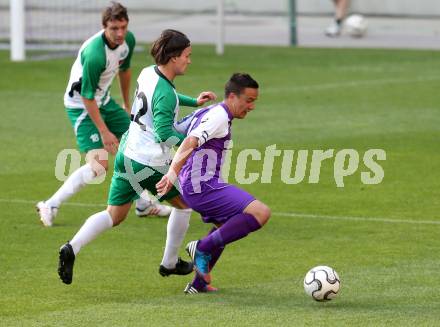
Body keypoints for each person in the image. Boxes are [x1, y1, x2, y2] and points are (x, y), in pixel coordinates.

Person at [57, 29, 216, 285]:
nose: (189, 60)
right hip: (148, 162)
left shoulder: (148, 72)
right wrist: (193, 145)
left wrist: (193, 102)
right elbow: (165, 133)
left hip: (127, 153)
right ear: (174, 57)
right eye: (187, 55)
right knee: (185, 205)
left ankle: (71, 248)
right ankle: (169, 262)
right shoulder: (164, 92)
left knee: (114, 215)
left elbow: (163, 100)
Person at [36, 2, 171, 228]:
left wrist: (128, 105)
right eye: (113, 28)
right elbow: (87, 97)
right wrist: (105, 132)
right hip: (81, 106)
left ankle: (143, 205)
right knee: (98, 166)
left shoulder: (128, 41)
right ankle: (50, 204)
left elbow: (125, 70)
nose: (119, 33)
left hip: (104, 101)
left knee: (140, 141)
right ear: (104, 27)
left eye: (123, 27)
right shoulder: (95, 54)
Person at [156, 73, 271, 294]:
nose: (252, 106)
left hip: (196, 183)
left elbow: (176, 131)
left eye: (254, 101)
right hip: (201, 185)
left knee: (225, 226)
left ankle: (198, 285)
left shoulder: (207, 112)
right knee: (261, 213)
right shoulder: (218, 116)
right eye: (248, 100)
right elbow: (190, 140)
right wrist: (171, 173)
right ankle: (202, 248)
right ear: (232, 96)